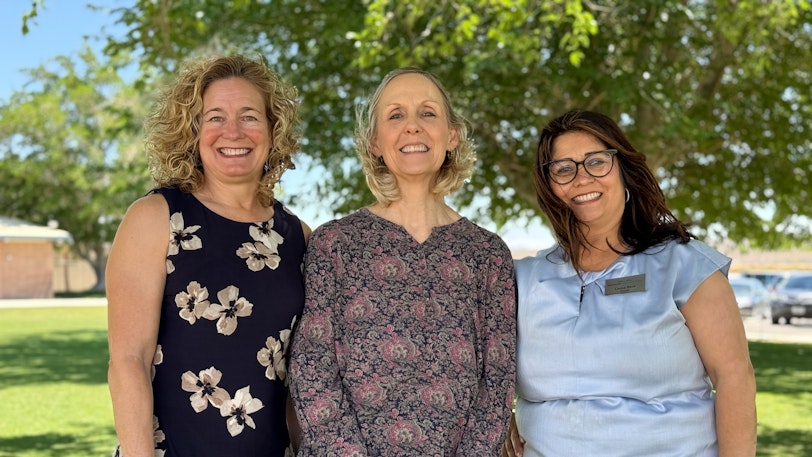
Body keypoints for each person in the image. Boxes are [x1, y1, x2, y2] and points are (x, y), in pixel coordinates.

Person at [288, 67, 517, 455]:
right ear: (375, 141)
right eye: (396, 115)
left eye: (427, 113)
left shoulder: (488, 254)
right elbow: (312, 370)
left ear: (452, 136)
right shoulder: (335, 244)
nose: (412, 126)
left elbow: (497, 384)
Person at [503, 109, 757, 456]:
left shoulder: (685, 265)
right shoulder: (523, 278)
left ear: (623, 168)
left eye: (596, 162)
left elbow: (734, 378)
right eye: (563, 169)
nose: (581, 179)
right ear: (549, 186)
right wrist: (499, 414)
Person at [106, 54, 309, 456]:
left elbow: (299, 380)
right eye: (214, 117)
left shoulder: (299, 236)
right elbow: (130, 360)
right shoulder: (155, 218)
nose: (232, 132)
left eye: (249, 116)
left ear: (273, 130)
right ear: (192, 132)